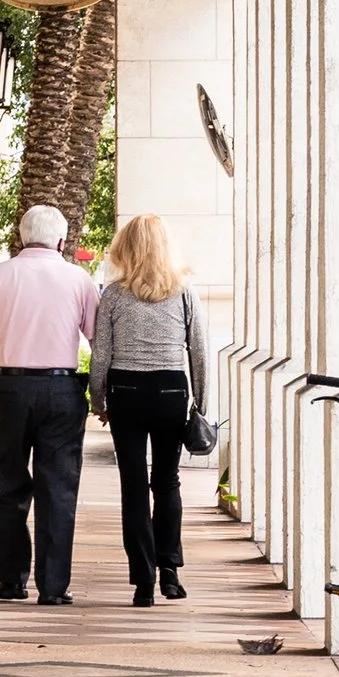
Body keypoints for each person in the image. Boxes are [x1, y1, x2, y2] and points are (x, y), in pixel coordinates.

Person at [0, 204, 101, 605]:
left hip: (12, 390)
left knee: (9, 484)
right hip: (62, 391)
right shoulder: (78, 278)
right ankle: (53, 588)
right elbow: (98, 341)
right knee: (59, 489)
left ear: (21, 237)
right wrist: (103, 393)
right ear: (61, 240)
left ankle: (9, 580)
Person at [90, 213, 209, 608]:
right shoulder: (184, 292)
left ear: (125, 248)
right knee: (167, 481)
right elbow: (199, 352)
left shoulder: (114, 294)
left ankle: (143, 582)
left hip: (126, 391)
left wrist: (98, 400)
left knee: (134, 486)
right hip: (171, 392)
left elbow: (101, 354)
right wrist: (200, 404)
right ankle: (170, 573)